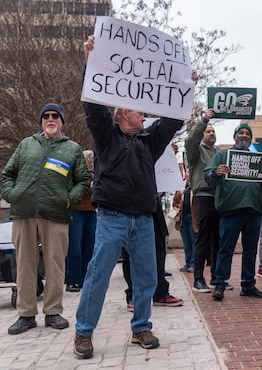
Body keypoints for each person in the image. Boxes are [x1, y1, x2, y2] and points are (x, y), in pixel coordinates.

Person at [73, 35, 191, 358]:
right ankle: (83, 333)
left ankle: (141, 327)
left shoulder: (149, 141)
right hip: (112, 217)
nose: (145, 116)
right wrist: (90, 64)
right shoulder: (107, 137)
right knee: (98, 274)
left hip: (144, 218)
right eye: (139, 112)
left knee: (148, 276)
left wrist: (185, 87)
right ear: (124, 113)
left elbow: (173, 119)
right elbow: (92, 106)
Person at [2, 103, 90, 335]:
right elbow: (7, 175)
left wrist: (70, 199)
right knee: (25, 265)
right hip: (24, 213)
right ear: (41, 121)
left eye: (55, 116)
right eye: (46, 116)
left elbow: (83, 180)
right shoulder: (26, 145)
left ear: (61, 121)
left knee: (55, 265)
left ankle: (53, 312)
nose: (50, 119)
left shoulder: (72, 148)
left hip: (56, 214)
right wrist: (12, 195)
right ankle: (26, 315)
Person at [205, 124, 262, 300]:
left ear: (250, 138)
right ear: (235, 136)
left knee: (250, 249)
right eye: (241, 133)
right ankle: (220, 284)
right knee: (225, 248)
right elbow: (207, 176)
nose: (244, 136)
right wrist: (216, 172)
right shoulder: (223, 155)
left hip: (254, 210)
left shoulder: (260, 159)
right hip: (230, 210)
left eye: (247, 134)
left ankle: (248, 284)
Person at [122, 194, 184, 310]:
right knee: (130, 252)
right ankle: (133, 295)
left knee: (158, 249)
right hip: (129, 202)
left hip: (153, 204)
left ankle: (160, 293)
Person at [184, 109, 220, 293]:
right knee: (203, 239)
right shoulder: (196, 152)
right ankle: (198, 279)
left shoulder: (219, 154)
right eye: (208, 131)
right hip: (204, 197)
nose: (211, 133)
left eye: (213, 131)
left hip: (220, 199)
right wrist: (204, 120)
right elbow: (190, 140)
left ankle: (216, 277)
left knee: (217, 240)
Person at [65, 149, 96, 293]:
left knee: (90, 246)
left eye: (92, 162)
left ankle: (86, 278)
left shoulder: (96, 175)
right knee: (74, 247)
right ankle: (72, 279)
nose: (90, 164)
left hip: (91, 212)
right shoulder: (75, 174)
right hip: (76, 212)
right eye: (88, 161)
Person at [173, 170, 195, 273]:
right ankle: (187, 263)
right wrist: (179, 192)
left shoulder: (196, 186)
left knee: (193, 241)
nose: (187, 174)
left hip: (193, 217)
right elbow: (176, 201)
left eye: (189, 172)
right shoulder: (182, 186)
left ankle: (193, 264)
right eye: (186, 172)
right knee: (186, 242)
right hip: (183, 217)